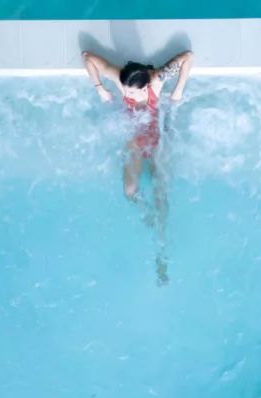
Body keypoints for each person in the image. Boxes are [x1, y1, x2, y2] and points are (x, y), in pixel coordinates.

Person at [81, 49, 194, 285]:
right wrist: (100, 88)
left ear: (145, 87)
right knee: (130, 190)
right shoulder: (122, 78)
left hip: (158, 137)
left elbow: (187, 56)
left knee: (160, 193)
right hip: (136, 140)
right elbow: (87, 57)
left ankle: (161, 257)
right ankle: (146, 213)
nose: (125, 93)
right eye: (124, 88)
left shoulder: (157, 80)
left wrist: (179, 89)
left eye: (130, 91)